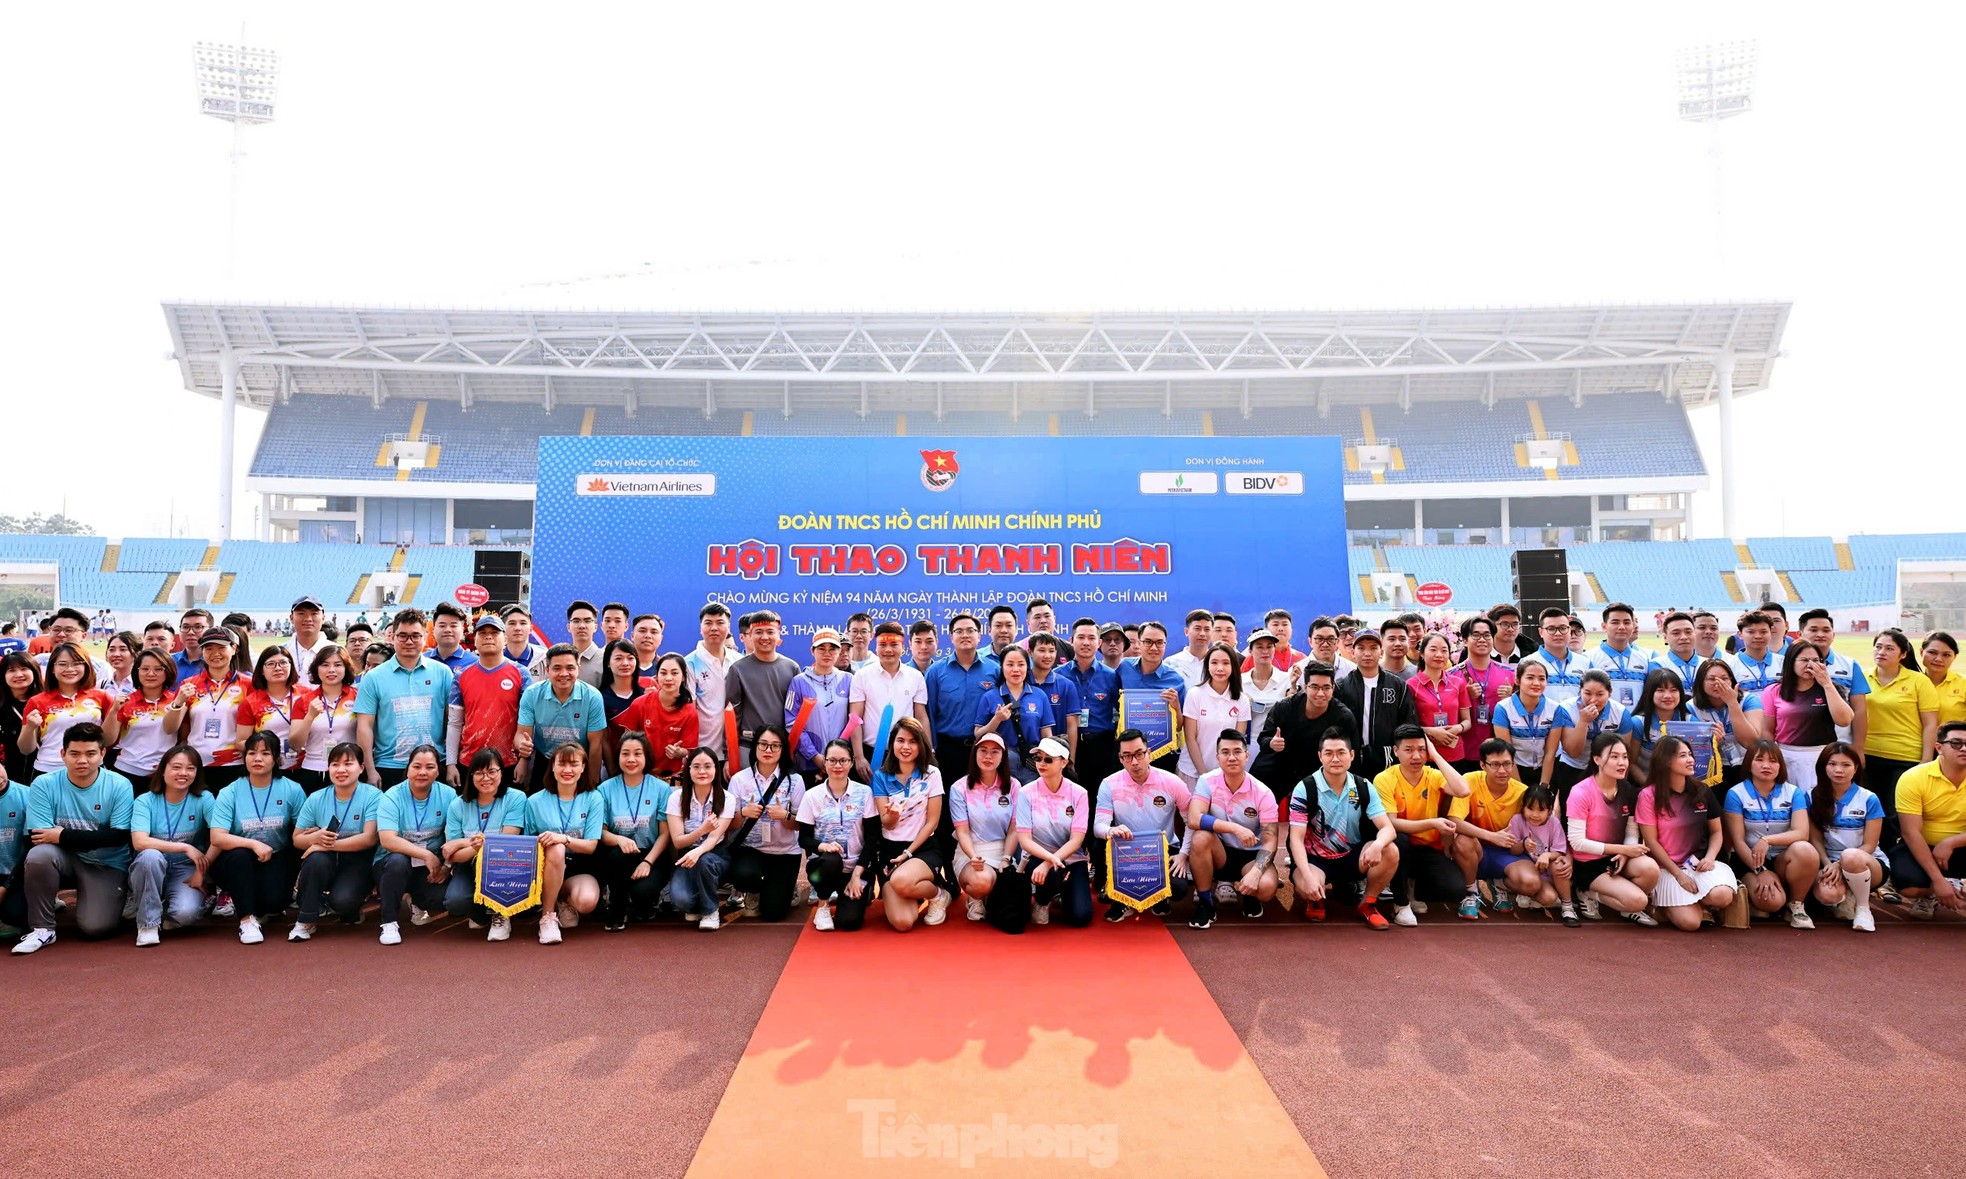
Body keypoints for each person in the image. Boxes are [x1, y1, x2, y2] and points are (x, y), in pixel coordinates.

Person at [12, 723, 133, 954]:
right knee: (39, 855)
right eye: (74, 754)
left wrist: (63, 834)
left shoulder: (119, 785)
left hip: (105, 864)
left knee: (95, 927)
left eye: (90, 754)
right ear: (63, 754)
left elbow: (117, 836)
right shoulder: (44, 784)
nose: (82, 760)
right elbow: (39, 836)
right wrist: (87, 838)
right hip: (63, 858)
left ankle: (103, 899)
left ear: (102, 754)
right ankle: (42, 928)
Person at [1287, 728, 1398, 929]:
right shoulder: (1305, 788)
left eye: (1341, 752)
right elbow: (1296, 838)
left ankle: (1368, 903)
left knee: (1390, 850)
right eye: (1328, 753)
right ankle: (1315, 899)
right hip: (1316, 859)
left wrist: (1378, 844)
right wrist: (1308, 876)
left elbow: (1388, 828)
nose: (1335, 758)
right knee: (1305, 884)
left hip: (1352, 856)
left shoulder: (1363, 786)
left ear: (1352, 755)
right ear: (1320, 756)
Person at [207, 729, 307, 944]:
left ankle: (261, 905)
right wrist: (253, 844)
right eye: (252, 753)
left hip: (275, 856)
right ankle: (246, 920)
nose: (258, 758)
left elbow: (302, 830)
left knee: (273, 904)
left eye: (265, 753)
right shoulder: (230, 791)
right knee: (241, 855)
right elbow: (217, 837)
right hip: (237, 860)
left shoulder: (292, 789)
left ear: (277, 759)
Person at [1636, 734, 1739, 931]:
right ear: (1666, 761)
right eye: (1683, 756)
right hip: (1668, 869)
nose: (1691, 760)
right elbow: (1651, 841)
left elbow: (1717, 832)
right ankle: (1665, 905)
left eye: (1690, 754)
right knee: (1690, 924)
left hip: (1699, 865)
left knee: (1723, 896)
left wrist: (1709, 858)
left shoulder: (1702, 790)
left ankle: (1699, 902)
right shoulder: (1648, 795)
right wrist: (1678, 875)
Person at [1373, 725, 1472, 926]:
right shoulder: (1384, 779)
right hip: (1401, 846)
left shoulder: (1433, 775)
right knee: (1398, 840)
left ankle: (1414, 889)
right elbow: (1391, 823)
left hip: (1428, 848)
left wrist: (1435, 756)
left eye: (1421, 749)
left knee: (1454, 889)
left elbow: (1463, 790)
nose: (1416, 756)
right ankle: (1401, 904)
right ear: (1396, 751)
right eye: (1409, 750)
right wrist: (1433, 823)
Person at [1093, 728, 1195, 922]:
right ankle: (1121, 899)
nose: (1134, 762)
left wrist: (1183, 854)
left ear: (1149, 753)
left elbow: (1190, 821)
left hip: (1162, 850)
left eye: (1139, 754)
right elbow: (1099, 826)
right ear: (1120, 758)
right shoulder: (1109, 784)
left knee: (1179, 889)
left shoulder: (1172, 782)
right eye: (1127, 756)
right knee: (1100, 844)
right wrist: (1111, 830)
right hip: (1126, 849)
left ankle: (1159, 897)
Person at [288, 739, 383, 941]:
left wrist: (324, 845)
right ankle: (305, 920)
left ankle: (350, 906)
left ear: (361, 768)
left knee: (343, 902)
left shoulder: (373, 796)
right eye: (335, 764)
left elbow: (369, 839)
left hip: (357, 859)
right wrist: (315, 837)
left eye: (348, 764)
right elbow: (297, 839)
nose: (341, 770)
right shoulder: (315, 798)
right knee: (316, 860)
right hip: (325, 860)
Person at [1564, 733, 1661, 926]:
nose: (1622, 762)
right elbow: (1577, 842)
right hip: (1588, 863)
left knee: (1651, 869)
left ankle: (1626, 909)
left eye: (1624, 757)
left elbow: (1631, 832)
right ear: (1597, 759)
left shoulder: (1629, 791)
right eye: (1614, 757)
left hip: (1616, 858)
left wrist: (1626, 853)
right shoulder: (1580, 792)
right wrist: (1622, 850)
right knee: (1639, 901)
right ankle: (1587, 892)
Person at [1186, 730, 1280, 927]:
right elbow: (1194, 818)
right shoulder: (1207, 781)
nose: (1231, 757)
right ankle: (1205, 903)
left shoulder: (1263, 792)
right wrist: (1234, 828)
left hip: (1251, 855)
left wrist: (1255, 872)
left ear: (1247, 755)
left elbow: (1271, 840)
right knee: (1200, 837)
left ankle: (1251, 894)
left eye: (1237, 752)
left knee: (1267, 888)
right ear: (1217, 757)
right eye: (1225, 752)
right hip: (1220, 853)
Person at [353, 609, 454, 789]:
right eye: (403, 636)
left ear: (425, 636)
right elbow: (364, 727)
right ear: (392, 637)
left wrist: (451, 762)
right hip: (389, 766)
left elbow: (451, 722)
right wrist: (370, 770)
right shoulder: (374, 677)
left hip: (433, 765)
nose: (409, 641)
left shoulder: (443, 672)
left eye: (415, 636)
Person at [1723, 739, 1819, 927]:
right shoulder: (1736, 794)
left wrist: (1767, 840)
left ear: (1781, 766)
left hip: (1784, 859)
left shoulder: (1793, 792)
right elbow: (1738, 841)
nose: (1766, 765)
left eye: (1773, 761)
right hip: (1749, 860)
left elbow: (1801, 833)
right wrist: (1760, 871)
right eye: (1759, 760)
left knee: (1806, 850)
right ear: (1749, 763)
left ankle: (1796, 905)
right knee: (1771, 903)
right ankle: (1759, 896)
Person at [441, 747, 530, 942]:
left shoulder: (515, 798)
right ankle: (481, 913)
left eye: (492, 771)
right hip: (469, 862)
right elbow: (451, 853)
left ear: (501, 772)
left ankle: (502, 912)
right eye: (479, 772)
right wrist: (473, 847)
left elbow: (508, 841)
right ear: (471, 775)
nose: (486, 778)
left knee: (496, 861)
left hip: (504, 864)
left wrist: (463, 842)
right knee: (455, 901)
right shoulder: (458, 805)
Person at [127, 744, 212, 945]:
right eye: (176, 767)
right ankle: (148, 924)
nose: (183, 773)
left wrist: (202, 870)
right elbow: (140, 842)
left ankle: (162, 909)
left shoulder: (204, 799)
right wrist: (185, 847)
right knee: (150, 855)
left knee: (185, 914)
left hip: (185, 868)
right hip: (152, 866)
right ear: (162, 769)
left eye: (191, 768)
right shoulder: (145, 801)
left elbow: (218, 836)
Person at [869, 717, 948, 932]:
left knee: (902, 881)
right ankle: (912, 891)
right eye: (900, 740)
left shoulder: (932, 774)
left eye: (913, 741)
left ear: (921, 744)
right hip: (889, 850)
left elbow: (932, 822)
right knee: (903, 922)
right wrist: (892, 816)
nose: (906, 747)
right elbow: (887, 824)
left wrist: (908, 853)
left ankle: (939, 894)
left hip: (921, 848)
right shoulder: (881, 777)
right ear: (892, 744)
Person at [1861, 629, 1937, 848]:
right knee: (1871, 812)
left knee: (1895, 815)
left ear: (1903, 654)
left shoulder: (1918, 681)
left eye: (1889, 648)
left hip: (1905, 757)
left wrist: (1925, 761)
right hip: (1868, 756)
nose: (1881, 652)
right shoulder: (1863, 676)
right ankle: (1873, 862)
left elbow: (1930, 723)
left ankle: (1894, 865)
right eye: (1878, 647)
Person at [523, 742, 603, 943]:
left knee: (586, 901)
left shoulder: (593, 798)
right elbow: (527, 845)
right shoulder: (534, 801)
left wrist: (563, 838)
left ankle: (561, 900)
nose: (568, 770)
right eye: (562, 764)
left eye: (574, 764)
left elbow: (591, 845)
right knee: (556, 849)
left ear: (583, 767)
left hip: (579, 867)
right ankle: (547, 916)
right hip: (544, 868)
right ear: (553, 766)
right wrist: (551, 844)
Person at [593, 731, 673, 932]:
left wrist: (647, 862)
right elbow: (600, 832)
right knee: (616, 857)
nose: (631, 759)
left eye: (637, 753)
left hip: (651, 854)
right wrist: (619, 839)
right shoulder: (605, 789)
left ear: (646, 757)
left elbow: (665, 834)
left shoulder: (661, 788)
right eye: (625, 753)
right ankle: (617, 906)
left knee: (643, 892)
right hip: (619, 853)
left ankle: (646, 902)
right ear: (618, 756)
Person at [725, 724, 806, 922]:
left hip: (785, 851)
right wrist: (743, 813)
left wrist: (785, 816)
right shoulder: (739, 780)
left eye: (775, 746)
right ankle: (755, 890)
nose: (768, 750)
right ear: (755, 747)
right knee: (742, 876)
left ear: (783, 750)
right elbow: (731, 825)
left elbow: (801, 825)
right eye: (763, 744)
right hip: (750, 848)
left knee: (773, 914)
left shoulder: (795, 781)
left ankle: (785, 887)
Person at [373, 744, 452, 945]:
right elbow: (387, 840)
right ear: (407, 769)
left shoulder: (449, 796)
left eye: (430, 767)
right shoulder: (391, 796)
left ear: (438, 771)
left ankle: (416, 900)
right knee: (398, 862)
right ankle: (389, 922)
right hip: (391, 863)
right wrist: (425, 854)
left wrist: (447, 866)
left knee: (446, 899)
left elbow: (453, 837)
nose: (422, 772)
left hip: (429, 867)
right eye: (416, 766)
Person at [795, 738, 877, 932]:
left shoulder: (864, 793)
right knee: (831, 859)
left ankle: (859, 892)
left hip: (855, 869)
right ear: (825, 763)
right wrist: (822, 846)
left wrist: (857, 874)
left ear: (851, 763)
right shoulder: (812, 796)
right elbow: (803, 838)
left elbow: (872, 837)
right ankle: (823, 905)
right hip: (825, 865)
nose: (837, 765)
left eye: (843, 760)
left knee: (850, 922)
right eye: (832, 760)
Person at [1445, 739, 1532, 917]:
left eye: (1507, 764)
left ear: (1513, 764)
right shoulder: (1468, 780)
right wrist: (1491, 836)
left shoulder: (1522, 792)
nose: (1502, 770)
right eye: (1495, 765)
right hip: (1475, 849)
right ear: (1482, 764)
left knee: (1531, 884)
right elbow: (1454, 819)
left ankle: (1498, 884)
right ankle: (1471, 892)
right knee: (1462, 841)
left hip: (1506, 851)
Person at [1804, 742, 1885, 932]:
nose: (1838, 770)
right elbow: (1815, 839)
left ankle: (1864, 908)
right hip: (1829, 862)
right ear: (1823, 767)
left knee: (1851, 856)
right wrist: (1827, 863)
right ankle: (1847, 895)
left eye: (1846, 765)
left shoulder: (1868, 798)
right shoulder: (1811, 796)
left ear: (1856, 768)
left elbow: (1870, 845)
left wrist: (1841, 863)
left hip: (1866, 861)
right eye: (1832, 764)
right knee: (1827, 896)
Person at [1890, 720, 1966, 919]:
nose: (1964, 749)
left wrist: (1952, 842)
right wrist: (1938, 881)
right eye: (1956, 743)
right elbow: (1910, 832)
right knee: (1908, 886)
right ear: (1939, 748)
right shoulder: (1913, 778)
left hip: (1960, 844)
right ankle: (1932, 891)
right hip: (1922, 846)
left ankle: (1955, 882)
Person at [1015, 736, 1093, 928]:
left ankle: (1061, 890)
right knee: (1047, 876)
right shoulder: (1026, 792)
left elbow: (1077, 840)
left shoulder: (1080, 793)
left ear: (1064, 762)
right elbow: (1024, 840)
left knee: (1080, 917)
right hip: (1035, 856)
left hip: (1071, 858)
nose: (1041, 763)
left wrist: (1052, 861)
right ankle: (1042, 901)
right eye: (1038, 758)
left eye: (1048, 759)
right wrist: (1048, 861)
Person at [443, 616, 527, 793]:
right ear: (475, 640)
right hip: (470, 762)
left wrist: (524, 761)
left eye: (494, 632)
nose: (488, 636)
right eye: (483, 633)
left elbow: (528, 722)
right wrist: (451, 763)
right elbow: (455, 723)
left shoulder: (521, 674)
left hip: (509, 763)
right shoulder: (461, 676)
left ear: (505, 639)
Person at [1758, 642, 1853, 792]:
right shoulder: (1774, 691)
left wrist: (1827, 685)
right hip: (1787, 756)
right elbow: (1767, 731)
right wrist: (1770, 759)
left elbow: (1844, 720)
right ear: (1791, 662)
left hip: (1823, 756)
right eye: (1804, 660)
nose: (1810, 665)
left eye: (1816, 661)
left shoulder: (1831, 688)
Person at [514, 644, 608, 793]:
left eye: (570, 668)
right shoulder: (532, 694)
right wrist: (523, 751)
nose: (564, 674)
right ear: (547, 670)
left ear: (578, 668)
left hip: (580, 761)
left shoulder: (592, 696)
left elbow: (596, 744)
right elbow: (521, 734)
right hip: (545, 759)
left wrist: (592, 781)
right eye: (557, 668)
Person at [664, 747, 738, 931]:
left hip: (716, 855)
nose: (702, 771)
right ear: (688, 770)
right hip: (686, 855)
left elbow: (713, 839)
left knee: (705, 861)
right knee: (681, 900)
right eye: (696, 766)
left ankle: (710, 910)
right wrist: (701, 830)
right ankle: (699, 899)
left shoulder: (727, 798)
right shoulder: (676, 798)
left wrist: (698, 850)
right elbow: (678, 842)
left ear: (716, 769)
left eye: (707, 766)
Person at [20, 642, 119, 776]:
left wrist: (114, 712)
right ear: (52, 668)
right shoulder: (37, 701)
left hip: (91, 770)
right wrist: (30, 728)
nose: (70, 669)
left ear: (86, 666)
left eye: (77, 663)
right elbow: (25, 749)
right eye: (62, 664)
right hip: (49, 770)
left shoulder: (101, 697)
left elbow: (108, 740)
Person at [950, 732, 1018, 922]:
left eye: (995, 752)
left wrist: (1006, 857)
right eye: (983, 751)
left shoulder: (1014, 786)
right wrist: (973, 856)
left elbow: (1014, 829)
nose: (988, 757)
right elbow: (962, 831)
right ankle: (976, 897)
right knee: (982, 882)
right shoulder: (959, 788)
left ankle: (992, 896)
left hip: (1002, 850)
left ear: (1003, 756)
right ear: (975, 753)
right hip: (970, 851)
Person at [850, 621, 930, 779]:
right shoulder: (862, 676)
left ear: (903, 648)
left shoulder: (915, 677)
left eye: (894, 644)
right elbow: (855, 719)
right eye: (883, 644)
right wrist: (859, 757)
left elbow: (921, 717)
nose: (888, 649)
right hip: (870, 753)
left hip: (906, 753)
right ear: (876, 647)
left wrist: (928, 754)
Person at [925, 613, 1000, 778]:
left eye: (970, 630)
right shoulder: (936, 672)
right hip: (947, 750)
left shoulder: (994, 670)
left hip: (985, 747)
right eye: (959, 631)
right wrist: (932, 749)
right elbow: (928, 714)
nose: (965, 635)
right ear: (951, 637)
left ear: (979, 636)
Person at [973, 644, 1053, 783]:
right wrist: (997, 719)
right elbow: (978, 734)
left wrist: (1047, 758)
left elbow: (1046, 733)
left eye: (1021, 664)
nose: (1016, 669)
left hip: (1031, 761)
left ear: (1027, 667)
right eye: (1010, 664)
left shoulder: (1039, 695)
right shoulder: (990, 696)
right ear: (1002, 667)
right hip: (1002, 761)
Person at [1502, 785, 1578, 925]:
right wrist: (1524, 844)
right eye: (1530, 808)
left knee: (1552, 887)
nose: (1535, 815)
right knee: (1545, 894)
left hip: (1546, 871)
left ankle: (1567, 907)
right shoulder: (1518, 820)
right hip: (1527, 869)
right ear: (1523, 807)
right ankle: (1508, 886)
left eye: (1541, 810)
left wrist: (1547, 855)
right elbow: (1512, 850)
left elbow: (1560, 850)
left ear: (1549, 810)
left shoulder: (1553, 823)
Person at [1060, 618, 1121, 788]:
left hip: (1101, 745)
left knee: (1098, 794)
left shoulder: (1111, 676)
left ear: (1099, 642)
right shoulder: (1059, 675)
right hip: (1066, 743)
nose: (1086, 642)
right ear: (1072, 641)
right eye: (1081, 637)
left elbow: (1121, 711)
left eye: (1092, 638)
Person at [616, 652, 695, 781]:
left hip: (674, 778)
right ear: (657, 677)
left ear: (683, 677)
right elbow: (625, 741)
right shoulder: (639, 704)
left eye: (674, 673)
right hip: (640, 775)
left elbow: (688, 750)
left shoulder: (690, 711)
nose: (668, 678)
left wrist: (678, 752)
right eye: (663, 673)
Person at [1179, 643, 1250, 784]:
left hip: (1225, 777)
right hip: (1192, 773)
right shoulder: (1195, 694)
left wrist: (1224, 776)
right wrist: (1203, 775)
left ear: (1233, 667)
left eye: (1225, 663)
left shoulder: (1242, 700)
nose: (1220, 668)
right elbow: (1190, 738)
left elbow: (1237, 742)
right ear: (1207, 666)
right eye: (1214, 662)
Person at [1685, 658, 1763, 788]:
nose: (1718, 683)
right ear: (1700, 682)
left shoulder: (1749, 700)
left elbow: (1751, 742)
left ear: (1732, 681)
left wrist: (1732, 703)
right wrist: (1712, 741)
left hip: (1747, 764)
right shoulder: (1691, 707)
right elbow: (1693, 748)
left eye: (1724, 678)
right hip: (1710, 768)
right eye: (1711, 679)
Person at [784, 628, 851, 777]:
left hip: (842, 763)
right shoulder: (798, 682)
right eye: (821, 648)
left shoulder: (849, 680)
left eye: (832, 649)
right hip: (808, 764)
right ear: (812, 651)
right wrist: (813, 755)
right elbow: (791, 723)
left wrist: (839, 756)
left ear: (839, 651)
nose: (827, 653)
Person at [237, 646, 313, 775]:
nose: (278, 668)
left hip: (306, 766)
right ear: (261, 670)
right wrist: (267, 751)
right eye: (271, 664)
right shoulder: (250, 702)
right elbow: (240, 742)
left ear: (291, 665)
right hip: (271, 769)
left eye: (283, 662)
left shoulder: (308, 695)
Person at [114, 650, 184, 784]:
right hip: (127, 771)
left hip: (164, 773)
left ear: (168, 671)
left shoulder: (178, 700)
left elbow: (183, 737)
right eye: (145, 669)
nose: (151, 674)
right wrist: (113, 711)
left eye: (158, 669)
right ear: (136, 671)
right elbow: (108, 739)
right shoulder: (124, 701)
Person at [1407, 633, 1473, 768]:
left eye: (1444, 650)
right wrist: (1431, 731)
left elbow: (1467, 721)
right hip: (1425, 755)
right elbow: (1406, 726)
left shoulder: (1458, 683)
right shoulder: (1411, 685)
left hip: (1456, 754)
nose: (1439, 654)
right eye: (1433, 649)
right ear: (1422, 653)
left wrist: (1458, 728)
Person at [1620, 667, 1696, 780]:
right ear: (1650, 693)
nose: (1668, 696)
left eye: (1674, 690)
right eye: (1660, 690)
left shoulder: (1690, 722)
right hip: (1647, 785)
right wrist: (1651, 789)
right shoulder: (1638, 722)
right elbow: (1632, 764)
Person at [1554, 671, 1626, 790]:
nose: (1593, 700)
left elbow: (1624, 753)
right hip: (1572, 768)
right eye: (1587, 693)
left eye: (1600, 694)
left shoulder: (1621, 712)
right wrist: (1583, 721)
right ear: (1580, 690)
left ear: (1610, 692)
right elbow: (1574, 753)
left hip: (1607, 769)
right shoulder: (1566, 709)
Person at [1582, 603, 1658, 710]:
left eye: (1627, 622)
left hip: (1637, 723)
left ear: (1633, 626)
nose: (1622, 627)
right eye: (1615, 622)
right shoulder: (1588, 658)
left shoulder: (1644, 659)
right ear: (1604, 626)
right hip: (1603, 724)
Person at [1027, 633, 1082, 764]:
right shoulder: (1022, 682)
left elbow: (1072, 725)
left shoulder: (1066, 685)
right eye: (1041, 650)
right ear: (1030, 652)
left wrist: (1071, 760)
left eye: (1051, 651)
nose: (1047, 655)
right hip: (1028, 754)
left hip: (1057, 755)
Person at [1522, 607, 1587, 708]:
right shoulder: (1527, 663)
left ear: (1569, 630)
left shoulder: (1585, 662)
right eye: (1551, 629)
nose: (1558, 633)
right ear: (1541, 632)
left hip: (1578, 723)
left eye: (1563, 628)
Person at [1241, 630, 1290, 745]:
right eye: (1259, 647)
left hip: (1277, 743)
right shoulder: (1239, 681)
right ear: (1250, 651)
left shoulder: (1287, 679)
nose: (1265, 651)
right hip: (1247, 742)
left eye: (1269, 647)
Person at [2, 653, 42, 788]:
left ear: (34, 671)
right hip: (11, 776)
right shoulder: (2, 705)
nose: (19, 674)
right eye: (12, 670)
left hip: (45, 769)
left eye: (24, 668)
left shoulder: (47, 701)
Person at [598, 639, 645, 746]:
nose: (625, 663)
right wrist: (611, 763)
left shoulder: (648, 687)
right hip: (617, 757)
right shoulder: (600, 697)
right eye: (618, 658)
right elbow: (603, 740)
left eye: (630, 658)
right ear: (608, 663)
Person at [1725, 610, 1783, 694]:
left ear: (1770, 633)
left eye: (1763, 632)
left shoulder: (1784, 662)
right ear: (1740, 634)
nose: (1758, 636)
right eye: (1751, 632)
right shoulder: (1730, 666)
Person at [281, 596, 334, 684]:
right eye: (301, 613)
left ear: (323, 618)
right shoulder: (281, 652)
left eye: (314, 613)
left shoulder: (336, 652)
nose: (308, 619)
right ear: (291, 618)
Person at [1920, 632, 1966, 727]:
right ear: (1921, 652)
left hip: (1953, 741)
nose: (1938, 659)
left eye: (1946, 655)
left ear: (1954, 657)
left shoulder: (1963, 684)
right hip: (1913, 741)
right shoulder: (1910, 682)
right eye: (1932, 653)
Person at [1163, 609, 1214, 688]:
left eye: (1207, 629)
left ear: (1212, 633)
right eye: (1197, 628)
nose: (1202, 634)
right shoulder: (1170, 663)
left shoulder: (1217, 663)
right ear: (1186, 631)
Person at [101, 630, 139, 701]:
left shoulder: (142, 684)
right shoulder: (101, 685)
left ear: (136, 653)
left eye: (123, 649)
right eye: (112, 650)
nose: (116, 654)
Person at [631, 613, 666, 681]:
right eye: (642, 631)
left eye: (654, 632)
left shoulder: (666, 667)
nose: (648, 636)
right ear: (632, 636)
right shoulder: (622, 666)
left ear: (661, 638)